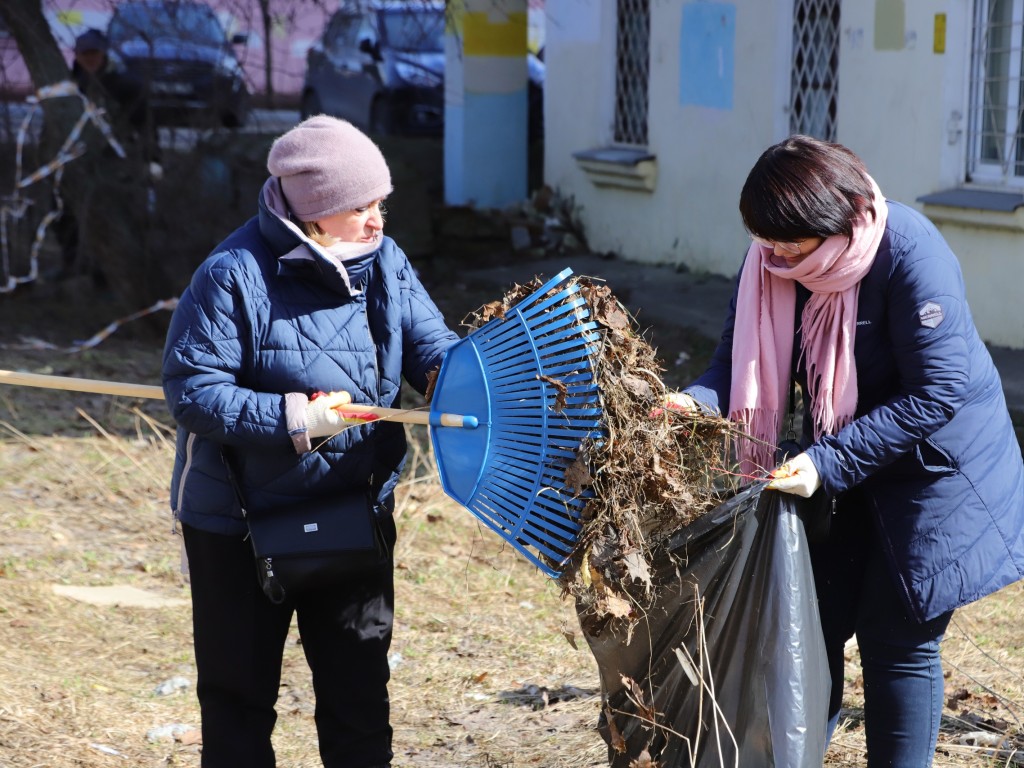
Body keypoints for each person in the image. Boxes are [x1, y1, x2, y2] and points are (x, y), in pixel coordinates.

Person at [669, 135, 1024, 765]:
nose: (775, 255)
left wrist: (827, 462)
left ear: (838, 219)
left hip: (936, 471)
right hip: (843, 464)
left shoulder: (908, 252)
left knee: (898, 641)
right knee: (812, 625)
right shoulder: (771, 263)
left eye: (789, 242)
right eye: (766, 239)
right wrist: (694, 401)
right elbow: (732, 362)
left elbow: (939, 391)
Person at [161, 115, 458, 767]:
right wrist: (297, 419)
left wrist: (457, 378)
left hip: (353, 510)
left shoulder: (386, 261)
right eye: (359, 207)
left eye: (381, 203)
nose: (376, 219)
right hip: (238, 524)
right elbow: (192, 390)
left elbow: (429, 343)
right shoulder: (232, 273)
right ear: (314, 211)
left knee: (358, 702)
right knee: (238, 705)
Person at [52, 28, 158, 282]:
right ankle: (72, 267)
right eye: (84, 53)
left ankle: (107, 277)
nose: (89, 59)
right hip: (73, 164)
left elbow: (146, 126)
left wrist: (152, 159)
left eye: (94, 53)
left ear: (103, 54)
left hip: (114, 166)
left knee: (111, 219)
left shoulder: (125, 86)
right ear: (76, 55)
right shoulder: (67, 86)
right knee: (64, 216)